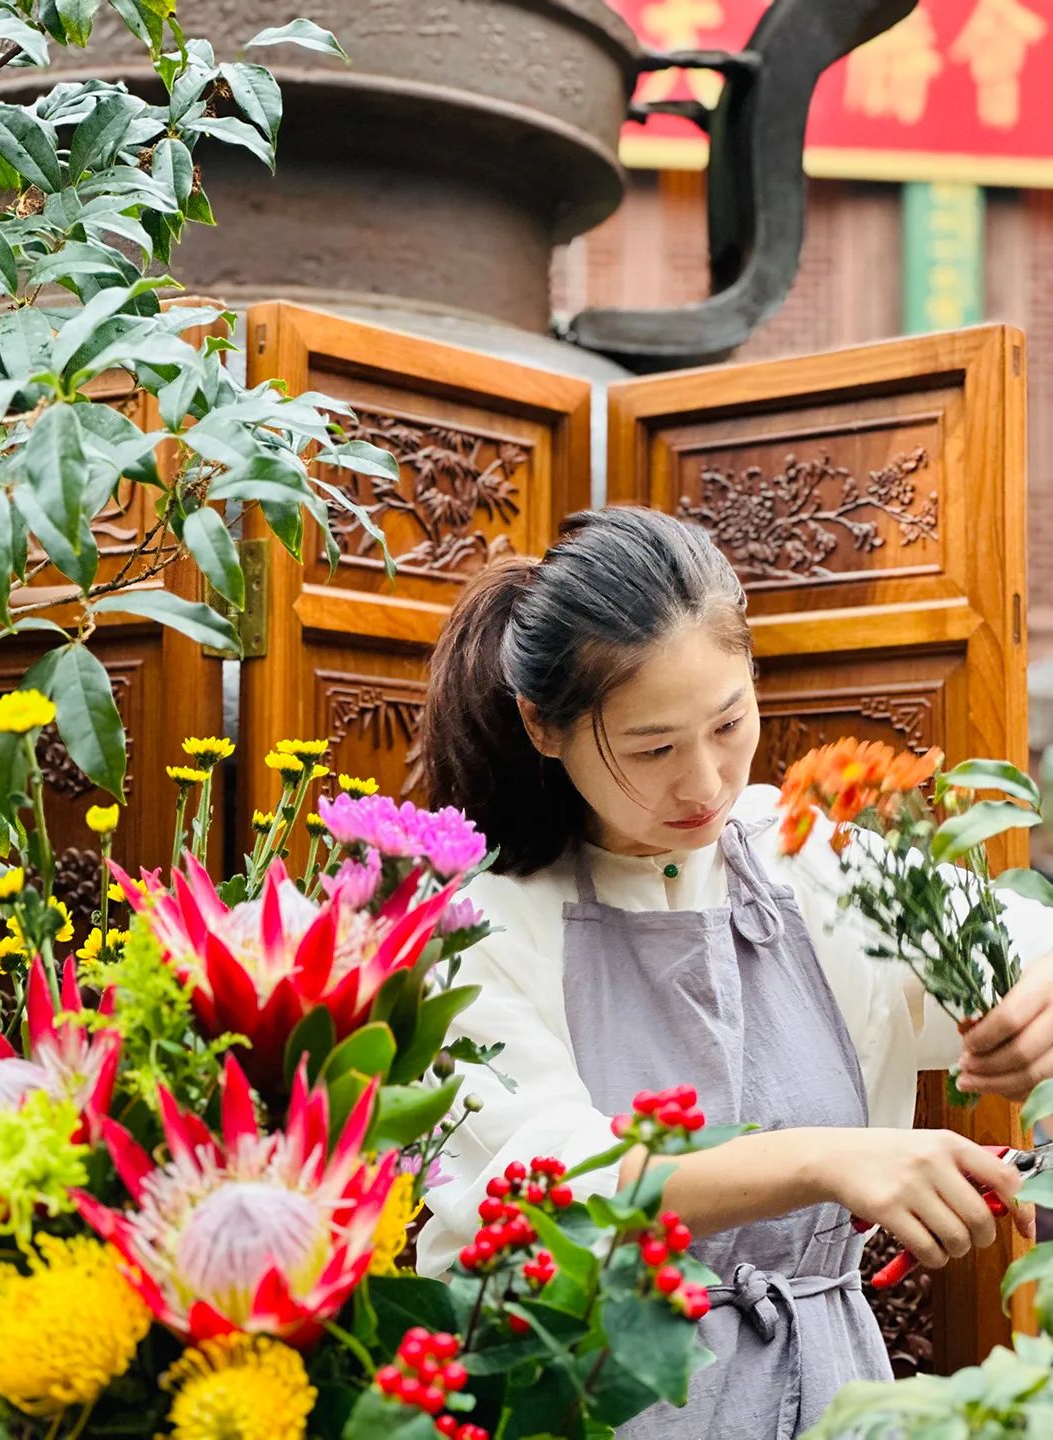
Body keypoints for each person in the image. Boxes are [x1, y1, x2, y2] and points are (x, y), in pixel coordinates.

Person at [415, 506, 1053, 1439]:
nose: (706, 783)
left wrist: (1036, 1000)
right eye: (652, 749)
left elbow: (1018, 942)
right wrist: (829, 1160)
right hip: (592, 1401)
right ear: (543, 728)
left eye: (728, 723)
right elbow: (553, 1181)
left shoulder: (806, 857)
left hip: (832, 1395)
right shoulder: (481, 922)